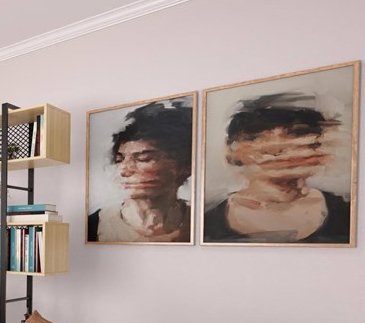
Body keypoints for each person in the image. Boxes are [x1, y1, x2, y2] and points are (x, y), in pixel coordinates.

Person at [203, 93, 350, 244]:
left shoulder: (348, 213)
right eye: (255, 136)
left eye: (297, 133)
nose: (277, 147)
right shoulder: (205, 220)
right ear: (231, 151)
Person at [88, 101, 193, 242]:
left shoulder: (203, 221)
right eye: (120, 160)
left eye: (143, 159)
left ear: (185, 166)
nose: (124, 170)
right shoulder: (94, 225)